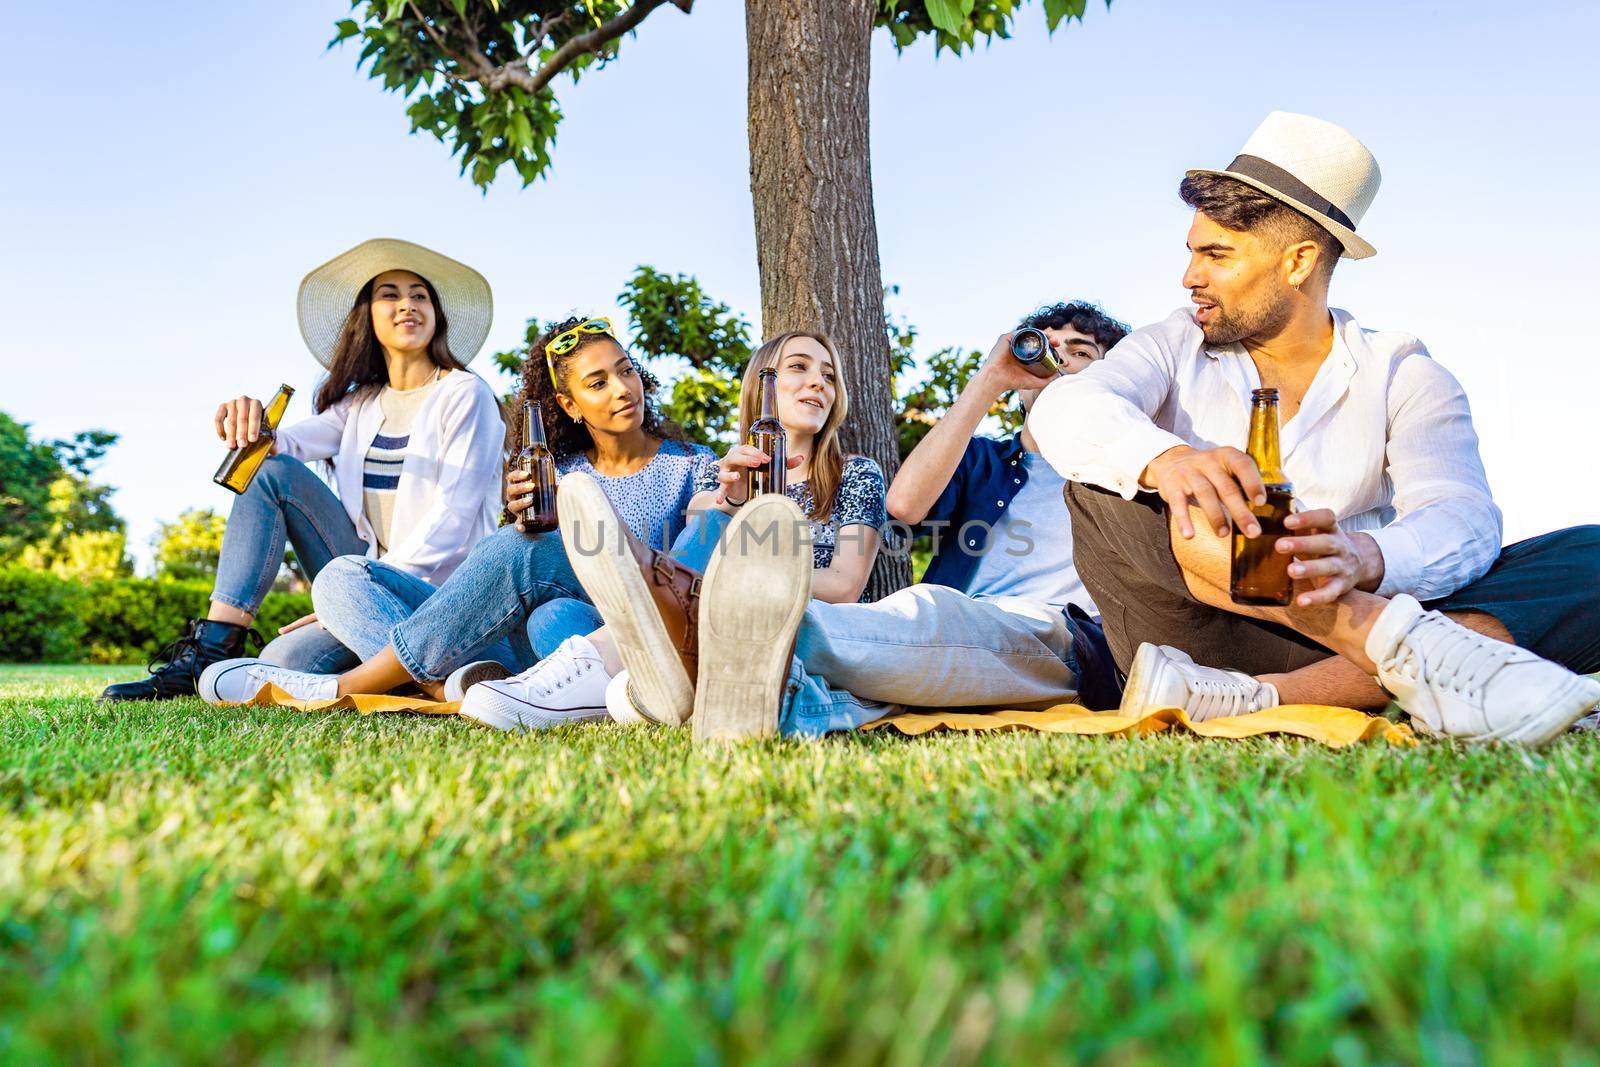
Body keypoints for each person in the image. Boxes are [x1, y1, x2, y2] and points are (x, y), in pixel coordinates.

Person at [1029, 111, 1600, 744]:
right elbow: (1068, 408)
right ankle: (1414, 652)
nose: (1190, 277)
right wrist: (1168, 461)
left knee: (1591, 553)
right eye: (1192, 253)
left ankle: (1263, 700)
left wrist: (1364, 557)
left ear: (1299, 261)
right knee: (1111, 477)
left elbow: (1461, 515)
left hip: (1305, 659)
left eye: (1216, 256)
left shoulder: (1403, 372)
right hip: (1195, 629)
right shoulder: (1169, 343)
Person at [548, 312, 1134, 742]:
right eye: (1045, 349)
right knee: (876, 651)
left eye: (1077, 352)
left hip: (1052, 637)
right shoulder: (984, 460)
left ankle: (678, 634)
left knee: (926, 610)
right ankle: (696, 667)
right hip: (935, 647)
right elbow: (906, 506)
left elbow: (859, 564)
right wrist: (991, 380)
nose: (1054, 362)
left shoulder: (1136, 469)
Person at [196, 315, 716, 706]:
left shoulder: (694, 466)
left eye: (625, 371)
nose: (623, 388)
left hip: (610, 629)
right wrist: (532, 523)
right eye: (598, 382)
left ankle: (347, 689)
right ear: (569, 406)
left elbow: (685, 576)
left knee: (547, 608)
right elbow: (509, 588)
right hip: (507, 643)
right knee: (337, 580)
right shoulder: (556, 471)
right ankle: (446, 689)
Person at [100, 239, 505, 703]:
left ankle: (424, 674)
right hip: (359, 574)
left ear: (437, 315)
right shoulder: (360, 406)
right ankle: (214, 649)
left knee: (290, 665)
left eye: (420, 295)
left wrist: (351, 595)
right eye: (389, 295)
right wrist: (253, 420)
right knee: (269, 482)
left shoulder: (465, 394)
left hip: (433, 591)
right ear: (367, 317)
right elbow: (277, 448)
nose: (407, 305)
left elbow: (452, 523)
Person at [455, 329, 890, 731]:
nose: (819, 382)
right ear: (763, 385)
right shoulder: (724, 469)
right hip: (700, 622)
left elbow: (846, 586)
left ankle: (605, 676)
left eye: (829, 376)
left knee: (704, 562)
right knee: (554, 617)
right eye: (800, 367)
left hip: (781, 625)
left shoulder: (855, 474)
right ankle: (632, 680)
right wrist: (733, 498)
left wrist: (742, 578)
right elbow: (705, 523)